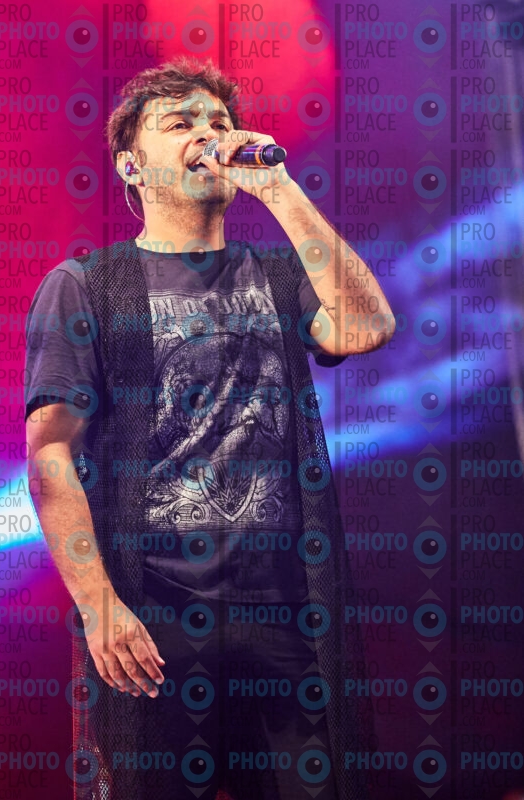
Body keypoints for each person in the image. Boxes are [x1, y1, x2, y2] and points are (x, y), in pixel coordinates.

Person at [25, 56, 394, 800]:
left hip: (284, 613)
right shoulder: (87, 285)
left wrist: (279, 188)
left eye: (219, 121)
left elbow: (367, 327)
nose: (208, 132)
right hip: (155, 612)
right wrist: (99, 603)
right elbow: (51, 450)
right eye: (180, 122)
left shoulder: (279, 275)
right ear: (131, 165)